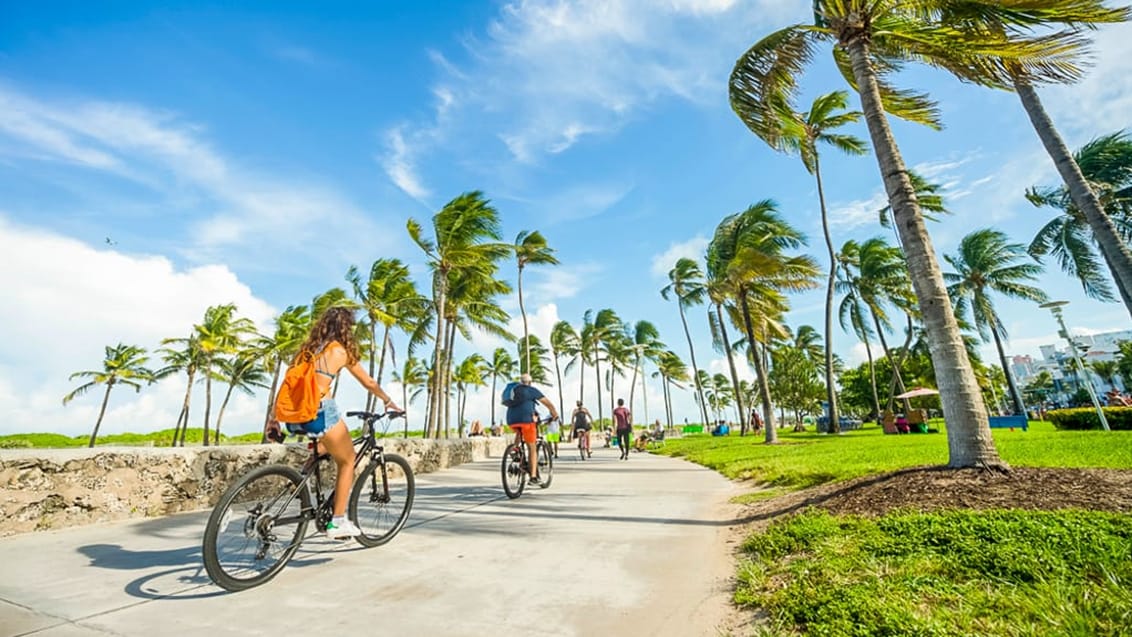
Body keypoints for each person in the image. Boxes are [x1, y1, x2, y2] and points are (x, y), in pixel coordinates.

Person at [265, 307, 401, 540]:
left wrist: (274, 418)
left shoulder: (306, 351)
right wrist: (388, 401)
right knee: (348, 460)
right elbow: (368, 382)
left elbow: (288, 384)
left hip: (294, 416)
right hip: (319, 412)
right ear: (346, 328)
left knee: (328, 445)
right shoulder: (340, 351)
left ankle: (303, 476)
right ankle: (337, 522)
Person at [505, 373, 559, 483]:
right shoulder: (531, 390)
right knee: (532, 447)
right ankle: (533, 477)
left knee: (519, 432)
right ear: (529, 382)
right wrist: (555, 414)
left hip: (511, 420)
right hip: (526, 421)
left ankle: (515, 450)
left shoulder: (514, 390)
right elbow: (548, 404)